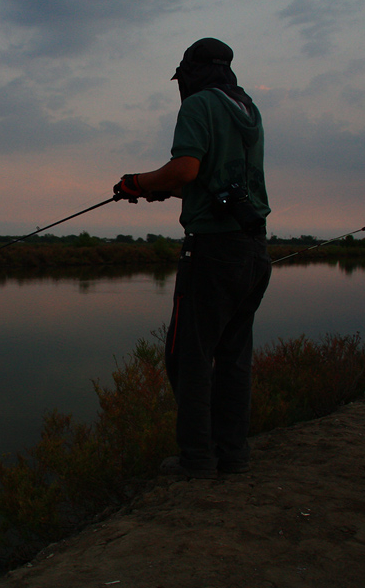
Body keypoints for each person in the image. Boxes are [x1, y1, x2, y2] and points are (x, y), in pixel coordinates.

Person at [113, 38, 272, 479]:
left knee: (190, 355)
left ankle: (197, 459)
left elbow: (185, 168)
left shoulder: (199, 105)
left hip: (213, 250)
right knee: (235, 355)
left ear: (190, 73)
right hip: (254, 249)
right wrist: (157, 188)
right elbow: (207, 179)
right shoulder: (248, 109)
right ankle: (233, 454)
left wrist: (136, 181)